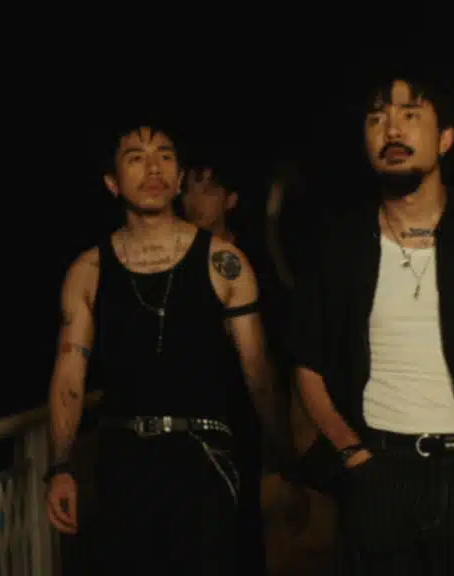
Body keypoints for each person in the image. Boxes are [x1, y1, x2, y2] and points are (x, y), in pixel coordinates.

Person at [290, 74, 454, 575]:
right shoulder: (339, 245)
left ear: (446, 138)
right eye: (377, 119)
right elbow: (308, 362)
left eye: (410, 115)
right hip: (376, 470)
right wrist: (353, 456)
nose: (392, 130)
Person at [44, 121, 289, 574]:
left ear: (178, 179)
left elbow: (257, 369)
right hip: (122, 461)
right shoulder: (89, 270)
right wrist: (60, 466)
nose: (153, 167)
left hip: (204, 459)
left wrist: (283, 452)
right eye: (136, 157)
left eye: (165, 156)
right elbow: (69, 376)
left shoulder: (224, 262)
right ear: (113, 182)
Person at [181, 163, 310, 574]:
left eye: (207, 190)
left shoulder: (252, 266)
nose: (194, 201)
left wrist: (284, 448)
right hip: (180, 429)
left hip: (238, 422)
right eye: (188, 190)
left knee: (240, 535)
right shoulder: (167, 261)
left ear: (230, 200)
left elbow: (274, 357)